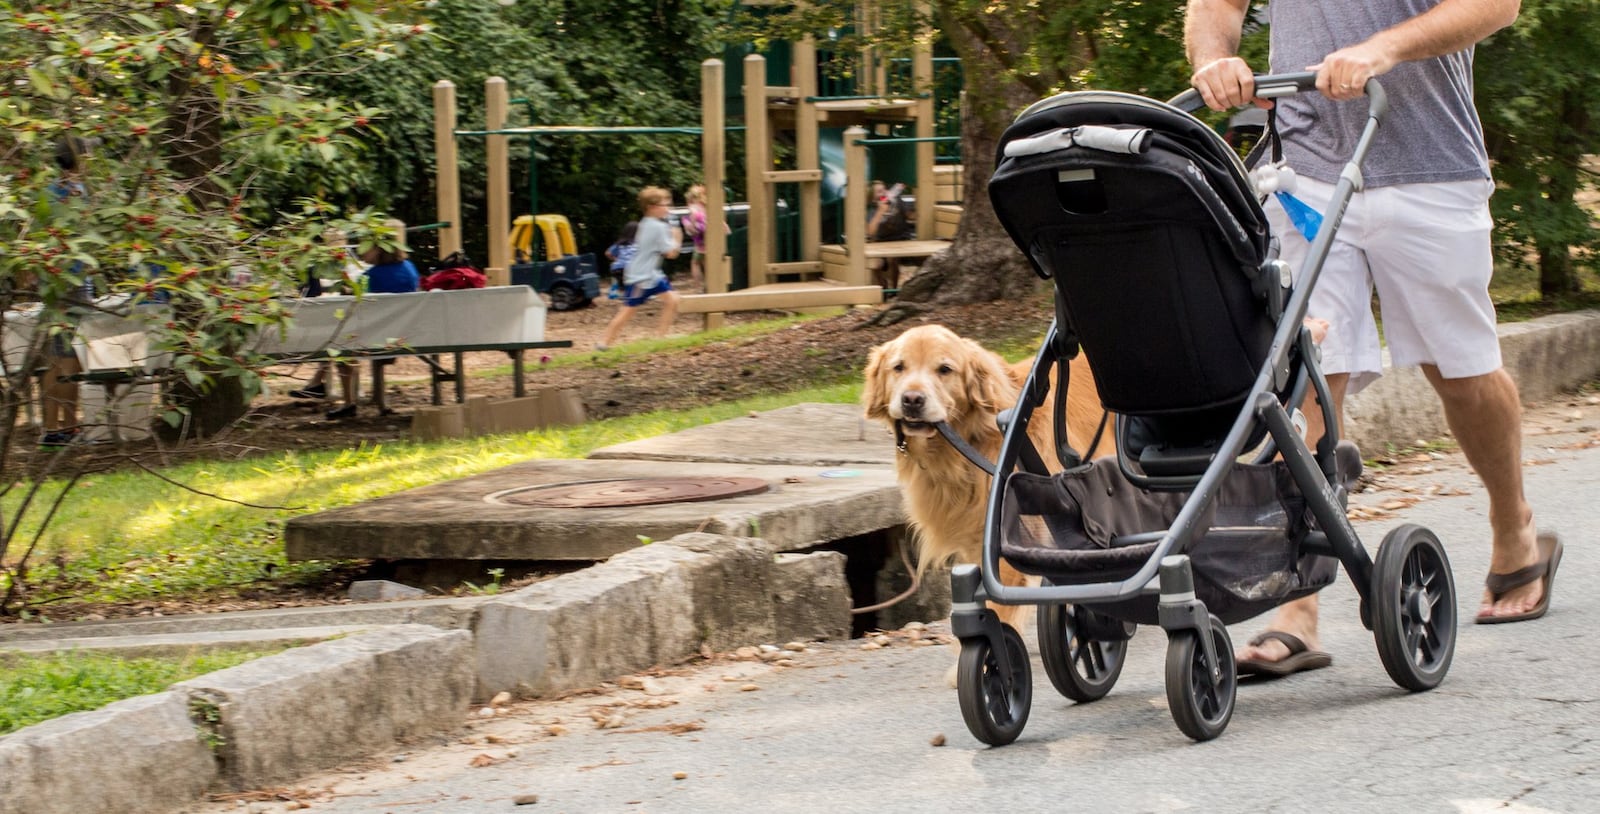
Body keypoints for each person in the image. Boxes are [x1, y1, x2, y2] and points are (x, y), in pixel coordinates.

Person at [1185, 0, 1551, 676]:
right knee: (1309, 374)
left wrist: (1383, 49)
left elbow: (1498, 5)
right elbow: (1218, 6)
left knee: (1462, 373)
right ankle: (1298, 601)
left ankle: (1512, 522)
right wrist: (1215, 61)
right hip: (1307, 169)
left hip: (1432, 166)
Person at [326, 219, 419, 420]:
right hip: (406, 333)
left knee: (341, 348)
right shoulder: (409, 268)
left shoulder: (372, 275)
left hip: (376, 336)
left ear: (379, 249)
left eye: (366, 247)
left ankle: (349, 402)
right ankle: (379, 401)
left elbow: (352, 295)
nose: (361, 252)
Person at [37, 137, 93, 448]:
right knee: (68, 359)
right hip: (68, 283)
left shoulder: (54, 191)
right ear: (79, 158)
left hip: (64, 280)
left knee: (61, 358)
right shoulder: (69, 193)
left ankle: (59, 428)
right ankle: (62, 429)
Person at [597, 187, 681, 351]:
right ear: (652, 207)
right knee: (628, 309)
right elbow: (671, 253)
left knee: (673, 300)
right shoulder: (658, 227)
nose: (667, 208)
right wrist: (677, 238)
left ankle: (660, 338)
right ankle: (604, 343)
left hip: (651, 275)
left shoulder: (646, 223)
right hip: (641, 277)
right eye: (664, 205)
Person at [865, 179, 916, 289]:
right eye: (879, 191)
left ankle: (894, 288)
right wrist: (880, 211)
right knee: (875, 263)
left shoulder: (896, 201)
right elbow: (870, 232)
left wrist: (901, 202)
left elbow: (911, 216)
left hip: (900, 237)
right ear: (873, 198)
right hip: (880, 240)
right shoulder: (872, 210)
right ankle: (882, 284)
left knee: (893, 259)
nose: (883, 193)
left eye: (884, 190)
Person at [603, 221, 638, 300]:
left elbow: (607, 253)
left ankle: (613, 292)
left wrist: (616, 259)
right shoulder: (639, 244)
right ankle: (633, 293)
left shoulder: (620, 243)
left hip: (617, 269)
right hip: (632, 269)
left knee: (617, 275)